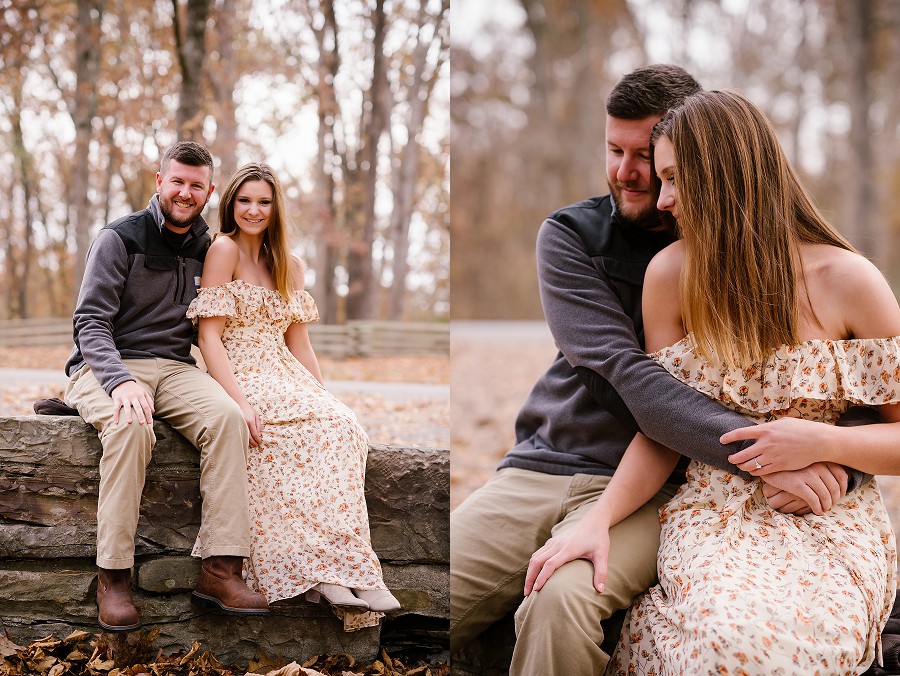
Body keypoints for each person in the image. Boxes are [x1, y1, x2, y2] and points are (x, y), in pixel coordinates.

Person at [450, 65, 872, 675]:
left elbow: (836, 388)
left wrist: (834, 458)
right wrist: (779, 454)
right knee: (439, 592)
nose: (628, 173)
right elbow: (629, 377)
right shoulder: (574, 235)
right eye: (613, 150)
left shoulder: (754, 261)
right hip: (548, 466)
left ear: (696, 155)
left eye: (649, 157)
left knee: (560, 600)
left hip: (666, 484)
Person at [64, 141, 269, 632]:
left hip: (175, 367)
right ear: (159, 182)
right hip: (105, 364)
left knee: (226, 420)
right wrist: (117, 382)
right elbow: (90, 322)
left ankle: (221, 570)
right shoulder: (120, 238)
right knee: (132, 426)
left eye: (196, 185)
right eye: (176, 181)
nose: (185, 192)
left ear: (209, 191)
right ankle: (113, 577)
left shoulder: (211, 249)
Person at [185, 162, 400, 626]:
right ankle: (314, 572)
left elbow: (298, 342)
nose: (254, 210)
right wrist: (239, 402)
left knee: (339, 425)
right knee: (275, 439)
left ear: (275, 208)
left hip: (283, 370)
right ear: (231, 204)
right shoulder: (222, 251)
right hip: (239, 370)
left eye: (263, 202)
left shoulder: (291, 265)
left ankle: (356, 570)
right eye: (245, 201)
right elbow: (209, 338)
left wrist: (323, 396)